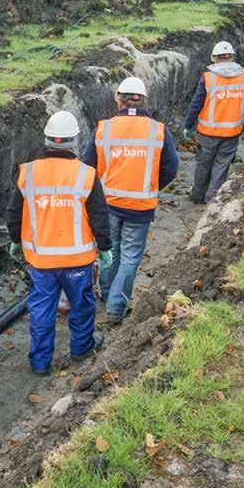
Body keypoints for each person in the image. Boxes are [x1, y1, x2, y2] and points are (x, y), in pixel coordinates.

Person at [6, 110, 112, 375]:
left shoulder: (28, 173)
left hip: (42, 261)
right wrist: (106, 247)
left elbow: (15, 213)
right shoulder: (86, 174)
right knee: (82, 305)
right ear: (74, 141)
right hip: (78, 261)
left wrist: (15, 241)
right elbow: (99, 215)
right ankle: (81, 349)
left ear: (47, 139)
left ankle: (40, 363)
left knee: (42, 309)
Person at [83, 77, 179, 325]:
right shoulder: (158, 130)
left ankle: (107, 295)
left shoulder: (103, 128)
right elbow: (171, 167)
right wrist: (150, 187)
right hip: (140, 208)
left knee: (109, 251)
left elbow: (87, 168)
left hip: (107, 205)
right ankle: (117, 306)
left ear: (119, 99)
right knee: (130, 257)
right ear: (144, 100)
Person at [183, 41, 244, 204]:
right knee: (222, 166)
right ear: (232, 58)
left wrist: (188, 125)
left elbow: (197, 104)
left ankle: (198, 195)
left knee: (203, 164)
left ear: (214, 58)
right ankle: (213, 199)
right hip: (232, 134)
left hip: (208, 133)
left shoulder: (208, 78)